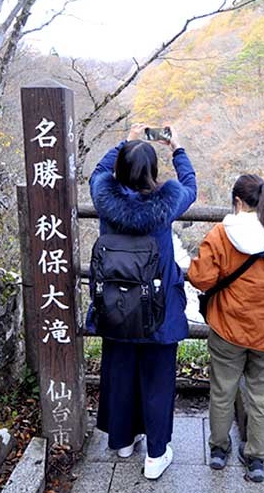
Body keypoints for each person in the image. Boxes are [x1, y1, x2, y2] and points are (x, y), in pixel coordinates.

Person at [87, 123, 196, 480]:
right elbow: (190, 187)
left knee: (119, 373)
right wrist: (177, 148)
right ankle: (156, 455)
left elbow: (99, 172)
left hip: (116, 305)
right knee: (158, 380)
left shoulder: (106, 199)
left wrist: (125, 141)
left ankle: (122, 441)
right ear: (153, 171)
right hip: (157, 308)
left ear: (120, 167)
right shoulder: (166, 203)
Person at [188, 174, 264, 483]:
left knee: (222, 390)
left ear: (239, 203)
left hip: (229, 328)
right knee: (262, 396)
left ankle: (218, 450)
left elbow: (201, 279)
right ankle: (256, 458)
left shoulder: (221, 235)